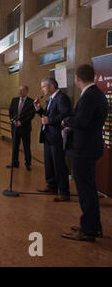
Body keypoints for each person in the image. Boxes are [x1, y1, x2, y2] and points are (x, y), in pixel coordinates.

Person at [61, 65, 108, 242]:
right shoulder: (96, 94)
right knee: (88, 188)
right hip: (89, 146)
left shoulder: (90, 96)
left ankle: (88, 230)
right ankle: (93, 226)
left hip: (84, 148)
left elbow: (81, 121)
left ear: (78, 78)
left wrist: (66, 121)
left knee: (86, 190)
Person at [34, 78, 72, 202]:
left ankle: (64, 192)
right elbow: (47, 115)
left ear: (51, 86)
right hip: (48, 136)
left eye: (43, 86)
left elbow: (66, 115)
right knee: (49, 162)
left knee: (59, 164)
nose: (42, 89)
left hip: (57, 137)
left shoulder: (62, 98)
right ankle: (51, 186)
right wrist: (39, 109)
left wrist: (49, 121)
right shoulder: (51, 99)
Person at [7, 86, 35, 170]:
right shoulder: (14, 100)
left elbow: (31, 115)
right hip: (15, 127)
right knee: (15, 145)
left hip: (25, 127)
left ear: (26, 91)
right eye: (19, 90)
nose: (20, 92)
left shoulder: (31, 102)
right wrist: (14, 121)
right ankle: (14, 162)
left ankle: (28, 163)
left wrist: (21, 122)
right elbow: (11, 112)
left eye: (22, 90)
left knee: (26, 146)